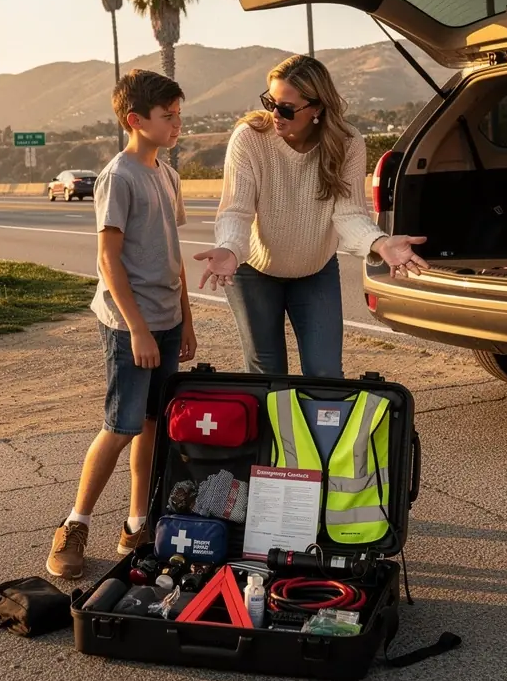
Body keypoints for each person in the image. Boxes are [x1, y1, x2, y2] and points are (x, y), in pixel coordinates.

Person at [46, 69, 196, 579]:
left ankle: (137, 524)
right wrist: (137, 328)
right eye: (167, 115)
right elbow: (109, 260)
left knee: (154, 425)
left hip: (168, 320)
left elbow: (172, 258)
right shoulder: (119, 175)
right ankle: (74, 523)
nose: (177, 123)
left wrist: (187, 322)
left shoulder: (168, 176)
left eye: (179, 114)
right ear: (135, 120)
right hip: (128, 324)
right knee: (120, 426)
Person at [193, 54, 428, 378]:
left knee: (326, 374)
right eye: (270, 102)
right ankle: (273, 432)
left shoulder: (346, 143)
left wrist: (380, 243)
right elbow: (237, 209)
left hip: (315, 270)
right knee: (268, 375)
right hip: (255, 271)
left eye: (287, 108)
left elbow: (348, 213)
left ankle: (317, 430)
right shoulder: (249, 138)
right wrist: (230, 247)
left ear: (317, 108)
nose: (275, 114)